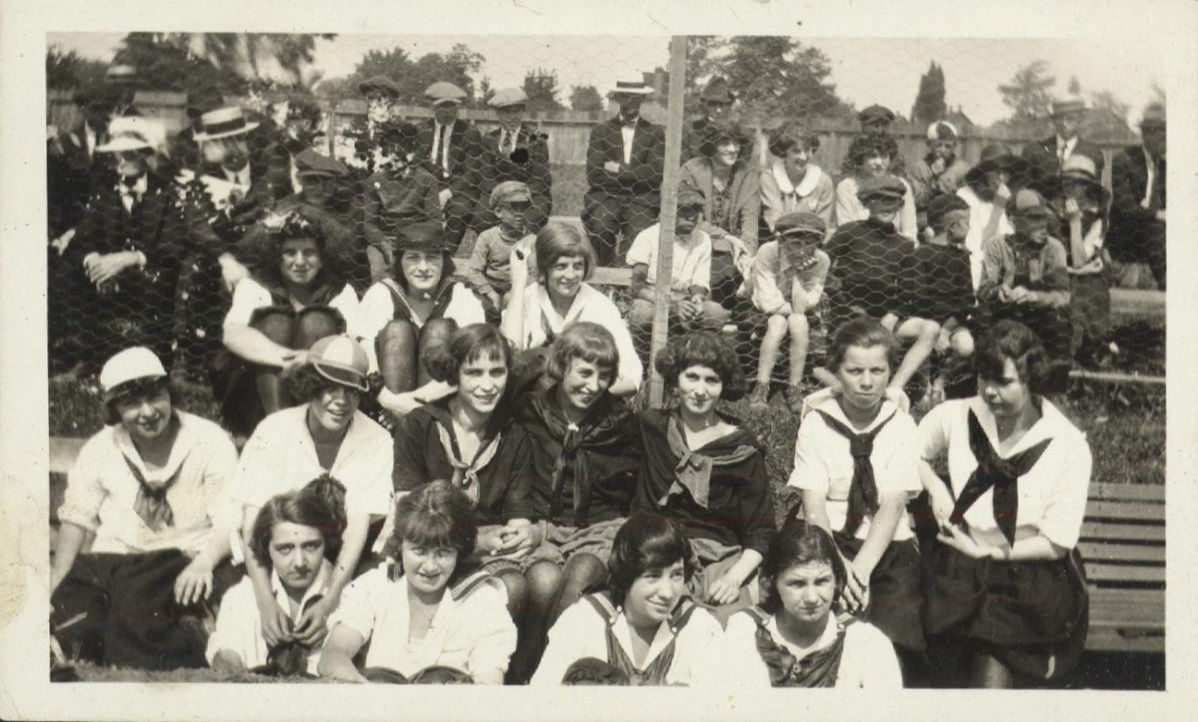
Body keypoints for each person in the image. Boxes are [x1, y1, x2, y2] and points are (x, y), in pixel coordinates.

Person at [918, 321, 1091, 688]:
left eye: (1004, 382)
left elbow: (1057, 542)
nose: (990, 392)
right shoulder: (959, 415)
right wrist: (935, 487)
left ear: (1032, 380)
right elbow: (907, 451)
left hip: (1032, 571)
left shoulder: (1066, 443)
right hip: (964, 564)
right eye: (984, 378)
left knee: (991, 642)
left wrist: (992, 554)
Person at [51, 347, 239, 670]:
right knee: (72, 612)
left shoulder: (209, 440)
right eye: (131, 403)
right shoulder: (101, 447)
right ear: (114, 410)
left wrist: (204, 563)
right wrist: (55, 580)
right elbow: (77, 516)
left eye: (156, 397)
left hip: (185, 560)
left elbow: (230, 518)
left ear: (170, 393)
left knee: (138, 609)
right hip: (117, 559)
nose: (148, 411)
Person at [229, 335, 394, 655]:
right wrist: (265, 604)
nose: (340, 401)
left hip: (345, 559)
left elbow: (358, 530)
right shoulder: (274, 430)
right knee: (246, 609)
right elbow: (251, 526)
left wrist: (329, 601)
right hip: (275, 554)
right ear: (309, 386)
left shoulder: (377, 440)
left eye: (351, 391)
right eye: (330, 387)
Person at [788, 318, 926, 674]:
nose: (867, 382)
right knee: (821, 633)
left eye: (877, 371)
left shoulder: (901, 425)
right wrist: (838, 569)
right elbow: (813, 505)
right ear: (837, 371)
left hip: (885, 547)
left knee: (893, 637)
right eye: (854, 371)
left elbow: (893, 505)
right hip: (823, 541)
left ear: (890, 370)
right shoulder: (816, 423)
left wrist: (859, 571)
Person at [510, 323, 644, 681]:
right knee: (541, 581)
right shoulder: (531, 411)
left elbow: (632, 484)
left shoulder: (619, 421)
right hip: (543, 527)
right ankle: (519, 674)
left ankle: (549, 678)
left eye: (604, 376)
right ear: (562, 366)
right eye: (584, 372)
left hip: (598, 528)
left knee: (579, 576)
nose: (593, 385)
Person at [391, 324, 537, 620]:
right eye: (474, 373)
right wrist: (476, 539)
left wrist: (523, 534)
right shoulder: (419, 426)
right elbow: (410, 521)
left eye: (497, 372)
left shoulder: (513, 436)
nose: (488, 385)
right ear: (455, 373)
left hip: (485, 558)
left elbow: (517, 517)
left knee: (515, 586)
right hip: (426, 552)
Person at [635, 332, 774, 623]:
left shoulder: (741, 446)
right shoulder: (652, 428)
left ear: (724, 386)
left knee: (724, 631)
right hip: (658, 550)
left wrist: (734, 579)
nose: (700, 390)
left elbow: (761, 531)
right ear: (675, 379)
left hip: (719, 559)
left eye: (711, 380)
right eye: (692, 377)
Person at [318, 480, 517, 683]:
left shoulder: (482, 600)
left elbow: (488, 685)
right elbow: (332, 657)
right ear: (401, 544)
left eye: (443, 553)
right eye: (419, 551)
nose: (430, 566)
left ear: (459, 551)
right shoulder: (377, 585)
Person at [530, 514, 726, 686]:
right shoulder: (584, 619)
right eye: (653, 576)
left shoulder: (698, 626)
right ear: (626, 576)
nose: (667, 592)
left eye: (676, 575)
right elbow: (541, 704)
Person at [215, 209, 360, 438]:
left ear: (322, 256)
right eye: (290, 253)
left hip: (324, 393)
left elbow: (354, 344)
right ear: (276, 255)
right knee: (275, 324)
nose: (299, 262)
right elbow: (233, 334)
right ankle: (279, 436)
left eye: (309, 253)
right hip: (257, 400)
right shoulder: (256, 285)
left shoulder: (340, 290)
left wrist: (316, 358)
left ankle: (314, 435)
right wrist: (290, 357)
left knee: (317, 322)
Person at [60, 115, 185, 372]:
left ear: (146, 155)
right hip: (106, 282)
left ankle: (156, 355)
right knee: (65, 269)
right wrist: (94, 261)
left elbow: (174, 245)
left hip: (150, 280)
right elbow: (82, 239)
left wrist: (130, 258)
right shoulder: (104, 193)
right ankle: (82, 353)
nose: (123, 160)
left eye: (130, 153)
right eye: (118, 154)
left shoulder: (168, 193)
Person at [721, 517, 904, 688]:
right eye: (797, 584)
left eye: (822, 581)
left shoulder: (866, 642)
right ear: (772, 582)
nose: (812, 598)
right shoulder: (744, 631)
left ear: (837, 581)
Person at [355, 221, 487, 420]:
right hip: (386, 402)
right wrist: (389, 400)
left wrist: (415, 403)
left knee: (439, 329)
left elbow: (472, 359)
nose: (423, 267)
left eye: (432, 258)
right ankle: (401, 432)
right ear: (399, 261)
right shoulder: (381, 293)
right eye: (413, 258)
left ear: (444, 261)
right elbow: (364, 352)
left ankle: (424, 426)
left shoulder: (459, 294)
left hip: (441, 404)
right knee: (397, 330)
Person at [824, 175, 942, 395]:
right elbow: (821, 266)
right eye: (880, 199)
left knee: (932, 328)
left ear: (901, 205)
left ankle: (894, 390)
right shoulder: (850, 232)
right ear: (866, 202)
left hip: (886, 319)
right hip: (849, 316)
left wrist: (895, 313)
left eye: (893, 200)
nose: (887, 205)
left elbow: (915, 291)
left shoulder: (905, 245)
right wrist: (839, 296)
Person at [207, 487, 343, 676]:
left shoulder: (349, 594)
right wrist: (229, 666)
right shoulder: (241, 597)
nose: (299, 563)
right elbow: (227, 653)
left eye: (311, 546)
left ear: (326, 542)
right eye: (285, 549)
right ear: (266, 547)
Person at [502, 222, 643, 396]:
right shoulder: (527, 299)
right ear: (545, 266)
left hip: (587, 405)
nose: (570, 276)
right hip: (532, 406)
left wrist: (581, 395)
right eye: (561, 266)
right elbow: (508, 357)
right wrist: (518, 284)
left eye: (577, 266)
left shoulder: (600, 306)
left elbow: (632, 376)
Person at [976, 189, 1073, 392]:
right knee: (982, 320)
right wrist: (998, 291)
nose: (1042, 226)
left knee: (1061, 321)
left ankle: (1053, 390)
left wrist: (1034, 296)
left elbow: (1063, 296)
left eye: (1044, 219)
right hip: (1005, 314)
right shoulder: (997, 246)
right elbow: (983, 289)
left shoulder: (1054, 248)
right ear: (1013, 220)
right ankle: (985, 383)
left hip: (1040, 317)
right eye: (1033, 219)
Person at [744, 211, 831, 413]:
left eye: (810, 244)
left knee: (798, 323)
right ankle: (761, 386)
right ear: (781, 240)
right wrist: (792, 309)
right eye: (795, 244)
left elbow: (808, 303)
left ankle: (794, 387)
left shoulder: (822, 260)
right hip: (756, 303)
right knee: (777, 324)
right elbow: (767, 300)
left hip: (795, 308)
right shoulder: (767, 252)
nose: (803, 251)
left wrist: (798, 275)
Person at [625, 188, 729, 338]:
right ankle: (644, 357)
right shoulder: (648, 236)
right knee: (642, 314)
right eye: (685, 211)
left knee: (715, 313)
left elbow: (700, 280)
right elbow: (637, 287)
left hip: (685, 299)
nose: (691, 217)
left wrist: (697, 297)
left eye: (696, 210)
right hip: (652, 298)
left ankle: (696, 356)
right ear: (669, 211)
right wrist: (671, 305)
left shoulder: (703, 239)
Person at [581, 80, 664, 265]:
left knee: (639, 236)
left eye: (635, 97)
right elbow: (594, 174)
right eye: (625, 96)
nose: (630, 101)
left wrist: (617, 168)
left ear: (642, 98)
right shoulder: (601, 131)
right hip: (606, 196)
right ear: (618, 97)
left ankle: (623, 284)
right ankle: (604, 275)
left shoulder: (654, 132)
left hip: (641, 199)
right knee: (600, 226)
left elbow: (654, 175)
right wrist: (635, 173)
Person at [904, 194, 977, 402]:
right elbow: (919, 298)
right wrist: (936, 333)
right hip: (925, 323)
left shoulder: (961, 258)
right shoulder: (920, 255)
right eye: (967, 224)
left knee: (965, 346)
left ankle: (941, 381)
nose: (969, 229)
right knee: (924, 341)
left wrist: (946, 330)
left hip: (951, 325)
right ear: (953, 226)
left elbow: (966, 300)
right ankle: (924, 383)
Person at [679, 122, 760, 307]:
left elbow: (750, 220)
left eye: (736, 143)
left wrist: (746, 253)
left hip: (735, 249)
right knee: (719, 270)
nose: (733, 149)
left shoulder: (747, 174)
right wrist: (727, 238)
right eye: (725, 143)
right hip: (695, 240)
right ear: (712, 145)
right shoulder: (691, 170)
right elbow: (690, 219)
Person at [359, 120, 444, 283]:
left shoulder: (427, 180)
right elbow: (369, 224)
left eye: (399, 154)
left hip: (417, 240)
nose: (393, 161)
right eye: (388, 152)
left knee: (417, 277)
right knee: (379, 276)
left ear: (411, 154)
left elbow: (435, 221)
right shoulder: (374, 181)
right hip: (384, 240)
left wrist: (412, 244)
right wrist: (384, 244)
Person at [1054, 155, 1116, 367]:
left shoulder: (1096, 217)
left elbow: (1080, 260)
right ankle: (1077, 347)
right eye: (1067, 182)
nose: (1071, 189)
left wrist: (1075, 223)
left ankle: (1093, 344)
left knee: (1090, 288)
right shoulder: (1052, 210)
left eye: (1078, 184)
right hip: (1056, 272)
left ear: (1088, 187)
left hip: (1083, 275)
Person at [419, 81, 486, 249]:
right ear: (433, 108)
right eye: (442, 106)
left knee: (459, 211)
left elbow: (472, 172)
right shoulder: (420, 131)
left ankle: (447, 256)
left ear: (458, 108)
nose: (447, 112)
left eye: (452, 107)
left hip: (458, 188)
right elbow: (415, 164)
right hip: (427, 185)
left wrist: (448, 193)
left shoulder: (470, 133)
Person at [477, 88, 553, 233]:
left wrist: (518, 194)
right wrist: (502, 195)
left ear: (523, 112)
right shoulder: (489, 140)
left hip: (530, 197)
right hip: (497, 195)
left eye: (516, 111)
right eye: (506, 112)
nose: (512, 117)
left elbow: (541, 180)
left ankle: (525, 254)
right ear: (498, 114)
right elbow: (485, 177)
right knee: (481, 217)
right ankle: (494, 252)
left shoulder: (536, 140)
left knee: (530, 219)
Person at [1108, 102, 1166, 289]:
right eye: (1162, 135)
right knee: (1156, 229)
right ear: (1147, 135)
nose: (1166, 141)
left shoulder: (1166, 166)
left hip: (1155, 234)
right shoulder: (1123, 160)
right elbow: (1126, 208)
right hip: (1126, 234)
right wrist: (1157, 214)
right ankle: (1170, 287)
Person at [955, 143, 1027, 288]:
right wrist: (997, 209)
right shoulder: (966, 196)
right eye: (995, 171)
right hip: (977, 272)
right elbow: (975, 246)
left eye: (1006, 172)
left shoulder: (1005, 197)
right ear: (983, 172)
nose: (1001, 178)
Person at [462, 180, 538, 313]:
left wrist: (514, 293)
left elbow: (534, 275)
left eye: (524, 207)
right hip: (490, 286)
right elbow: (473, 271)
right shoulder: (487, 237)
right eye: (513, 208)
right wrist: (490, 293)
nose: (519, 213)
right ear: (498, 212)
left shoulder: (531, 240)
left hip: (518, 287)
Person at [834, 133, 919, 241]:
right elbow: (846, 231)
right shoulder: (846, 187)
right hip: (858, 249)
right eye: (872, 156)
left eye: (884, 156)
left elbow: (910, 232)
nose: (879, 163)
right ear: (861, 158)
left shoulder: (900, 185)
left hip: (895, 249)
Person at [1021, 97, 1105, 203]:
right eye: (1059, 119)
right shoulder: (1034, 151)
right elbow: (1025, 192)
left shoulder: (1092, 152)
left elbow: (1094, 195)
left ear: (1080, 120)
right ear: (1053, 121)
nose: (1064, 124)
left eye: (1070, 119)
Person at [760, 121, 834, 234]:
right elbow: (775, 222)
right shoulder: (769, 178)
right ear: (784, 152)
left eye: (807, 150)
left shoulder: (823, 182)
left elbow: (822, 225)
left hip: (812, 243)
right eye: (796, 151)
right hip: (778, 243)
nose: (803, 157)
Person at [908, 121, 971, 235]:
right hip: (926, 218)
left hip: (956, 217)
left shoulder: (962, 168)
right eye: (938, 145)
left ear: (954, 146)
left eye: (948, 146)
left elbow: (968, 199)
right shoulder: (919, 168)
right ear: (929, 144)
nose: (942, 150)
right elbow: (916, 201)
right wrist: (932, 177)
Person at [344, 75, 402, 173]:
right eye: (368, 98)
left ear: (389, 102)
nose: (370, 104)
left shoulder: (400, 130)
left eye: (377, 99)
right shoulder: (356, 125)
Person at [840, 104, 906, 177]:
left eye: (883, 125)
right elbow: (847, 180)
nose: (879, 130)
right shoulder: (855, 151)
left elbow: (900, 181)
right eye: (874, 125)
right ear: (863, 126)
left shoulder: (894, 152)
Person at [682, 76, 736, 163]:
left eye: (722, 104)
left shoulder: (733, 131)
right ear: (703, 105)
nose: (718, 110)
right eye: (712, 104)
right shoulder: (691, 129)